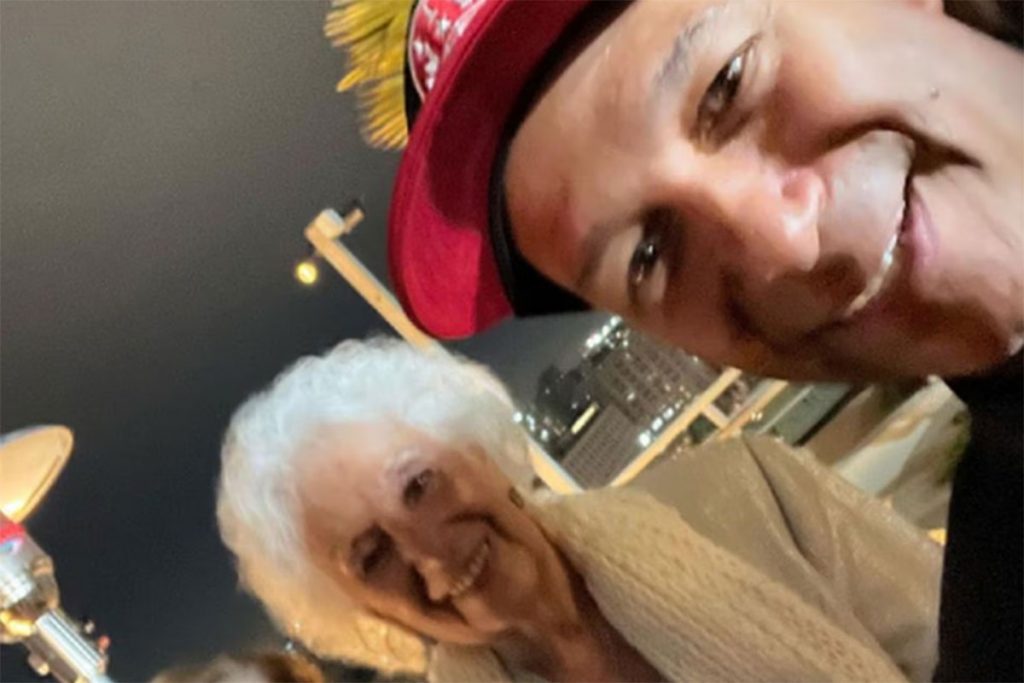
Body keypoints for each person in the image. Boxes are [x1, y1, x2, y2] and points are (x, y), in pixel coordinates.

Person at [326, 1, 1022, 678]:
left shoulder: (746, 495)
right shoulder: (996, 613)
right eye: (648, 256)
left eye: (728, 84)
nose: (786, 244)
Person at [217, 338, 941, 681]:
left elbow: (976, 647)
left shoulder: (755, 490)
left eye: (418, 485)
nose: (429, 553)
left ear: (480, 451)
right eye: (372, 555)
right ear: (366, 612)